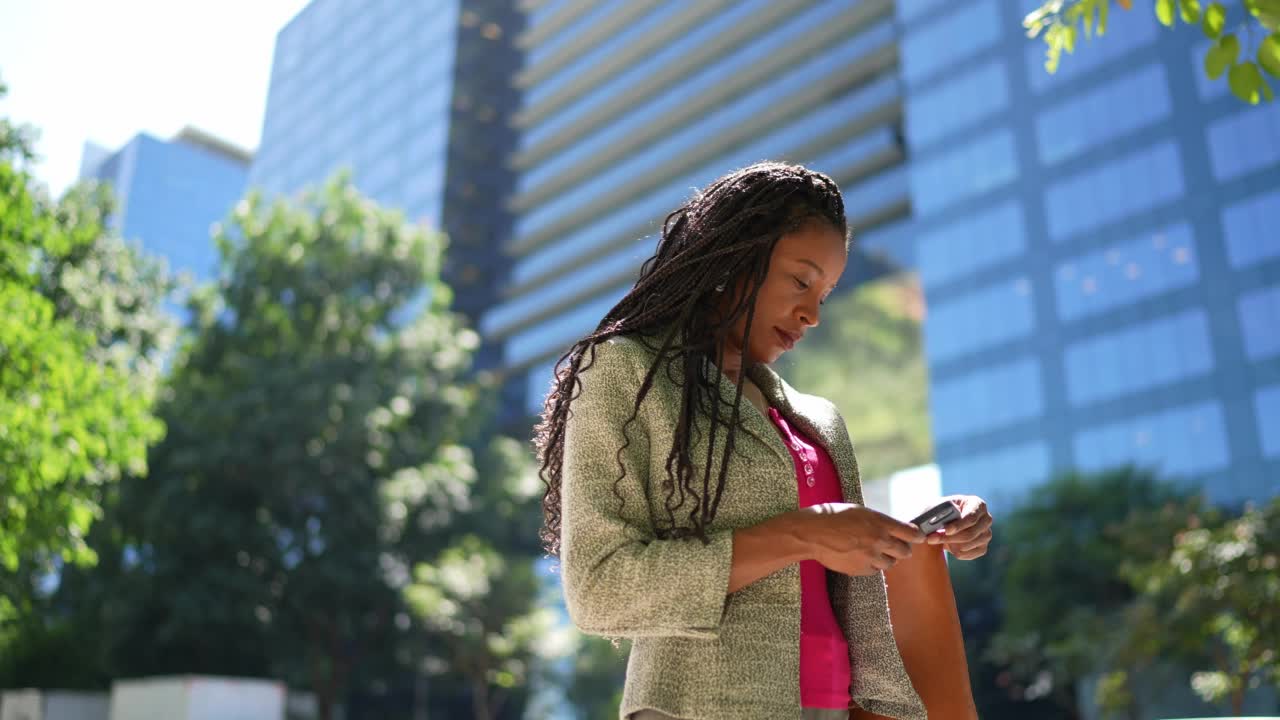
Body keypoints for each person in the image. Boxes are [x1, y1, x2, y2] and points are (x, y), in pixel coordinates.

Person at [533, 161, 994, 720]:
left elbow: (837, 572)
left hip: (842, 706)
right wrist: (802, 533)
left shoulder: (817, 419)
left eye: (824, 295)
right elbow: (600, 589)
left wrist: (922, 533)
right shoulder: (624, 373)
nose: (812, 314)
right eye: (801, 281)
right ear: (736, 257)